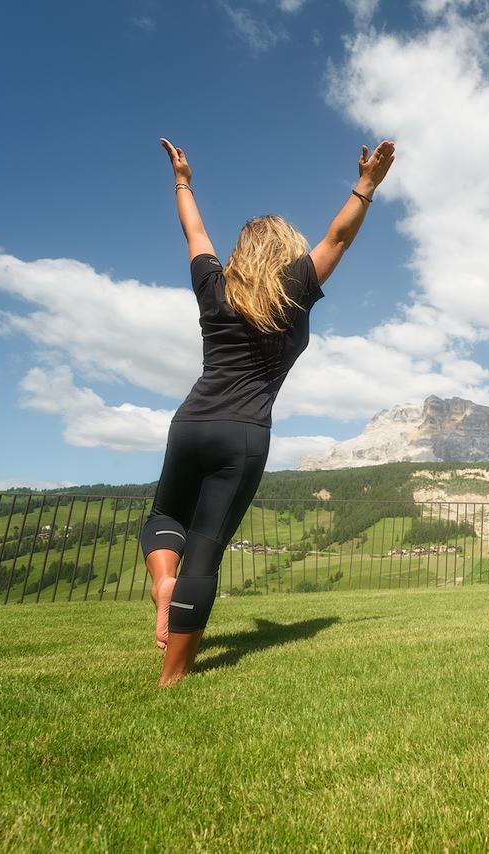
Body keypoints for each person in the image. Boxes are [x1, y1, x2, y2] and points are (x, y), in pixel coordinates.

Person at [141, 135, 396, 685]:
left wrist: (182, 181)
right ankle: (173, 677)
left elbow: (195, 232)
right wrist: (367, 184)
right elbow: (339, 237)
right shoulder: (294, 287)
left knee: (164, 519)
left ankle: (164, 583)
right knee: (205, 549)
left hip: (190, 422)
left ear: (243, 251)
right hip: (245, 434)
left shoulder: (214, 287)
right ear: (285, 250)